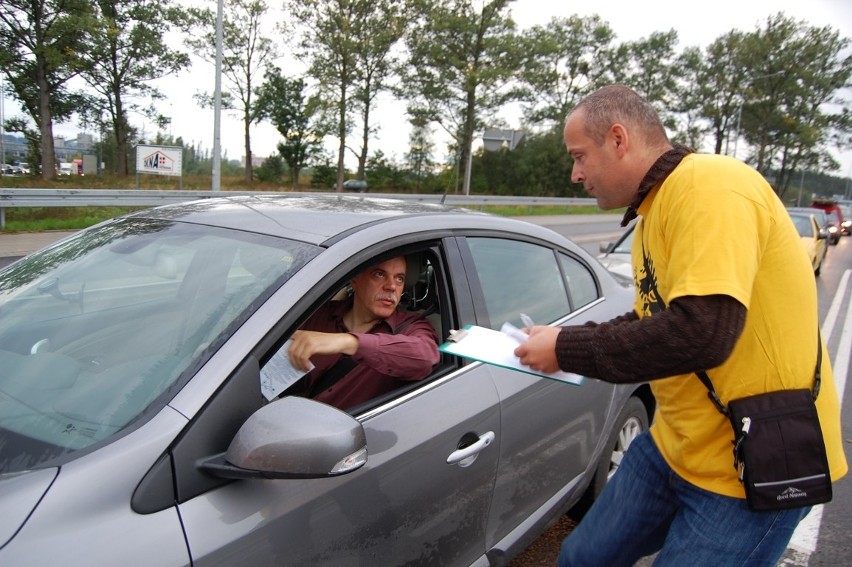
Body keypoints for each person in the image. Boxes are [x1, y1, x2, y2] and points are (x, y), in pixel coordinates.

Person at [514, 84, 847, 566]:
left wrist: (566, 349)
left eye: (579, 156)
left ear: (618, 139)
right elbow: (656, 319)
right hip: (675, 443)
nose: (575, 174)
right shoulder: (652, 215)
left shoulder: (711, 187)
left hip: (750, 463)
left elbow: (702, 331)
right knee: (582, 557)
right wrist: (562, 339)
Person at [288, 255, 440, 410]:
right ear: (355, 279)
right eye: (379, 274)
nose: (392, 286)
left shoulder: (411, 326)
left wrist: (348, 342)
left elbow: (426, 357)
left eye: (399, 278)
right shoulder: (320, 314)